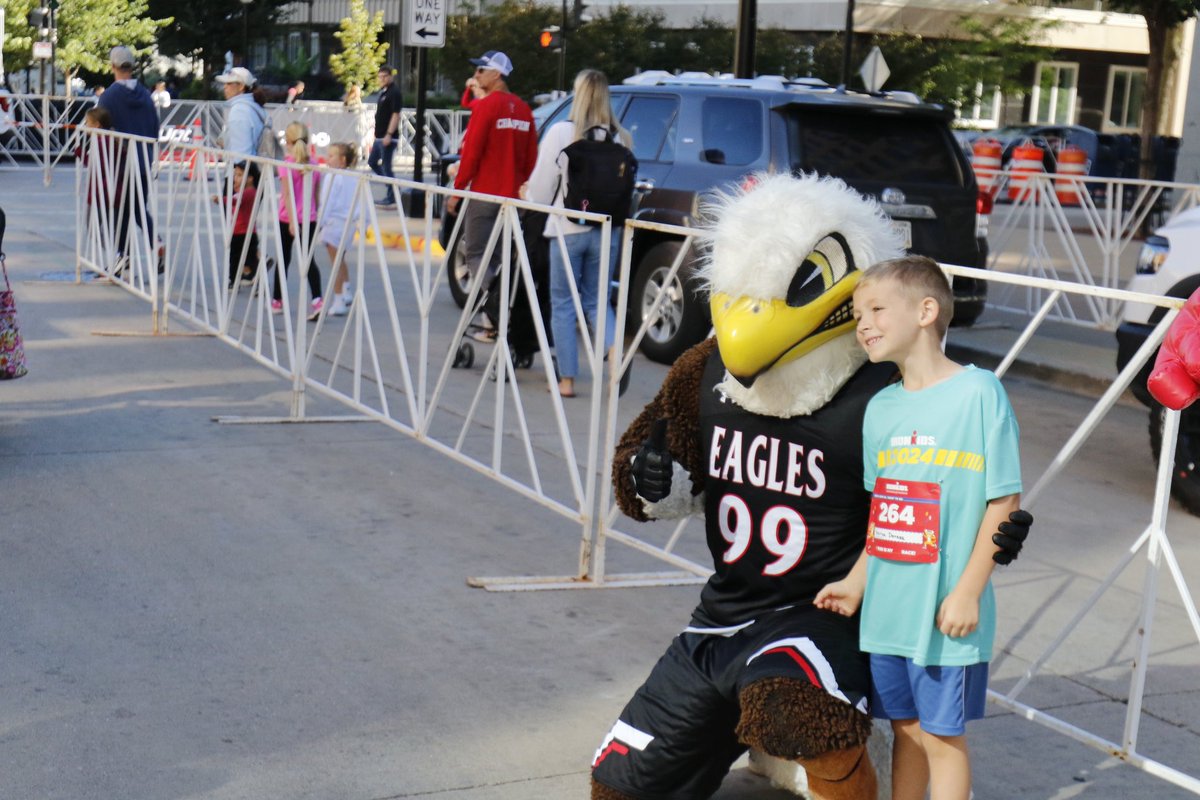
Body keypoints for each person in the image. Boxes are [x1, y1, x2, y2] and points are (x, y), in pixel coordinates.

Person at [815, 255, 1023, 800]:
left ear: (927, 311)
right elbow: (886, 515)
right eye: (858, 315)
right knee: (906, 731)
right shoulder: (880, 409)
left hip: (945, 613)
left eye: (876, 309)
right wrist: (857, 581)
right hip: (889, 613)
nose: (864, 324)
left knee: (941, 736)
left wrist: (968, 592)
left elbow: (1004, 500)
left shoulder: (979, 392)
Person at [525, 69, 629, 398]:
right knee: (598, 300)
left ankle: (567, 380)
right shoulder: (620, 138)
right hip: (607, 230)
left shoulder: (561, 132)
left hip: (567, 228)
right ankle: (614, 353)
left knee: (563, 303)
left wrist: (529, 197)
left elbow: (541, 189)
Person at [445, 51, 537, 334]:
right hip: (514, 199)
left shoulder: (486, 107)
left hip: (485, 194)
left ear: (496, 74)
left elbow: (471, 154)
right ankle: (493, 320)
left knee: (475, 254)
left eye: (481, 70)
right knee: (500, 258)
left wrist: (457, 191)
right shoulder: (524, 110)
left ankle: (497, 309)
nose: (476, 76)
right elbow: (531, 158)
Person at [98, 46, 160, 274]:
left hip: (119, 164)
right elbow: (155, 128)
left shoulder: (109, 96)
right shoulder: (145, 95)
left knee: (118, 211)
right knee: (138, 208)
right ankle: (154, 243)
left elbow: (100, 128)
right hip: (143, 161)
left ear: (112, 66)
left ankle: (122, 255)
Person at [271, 121, 324, 320]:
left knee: (283, 258)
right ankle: (317, 300)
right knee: (309, 260)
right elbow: (316, 195)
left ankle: (277, 299)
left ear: (288, 141)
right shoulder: (314, 165)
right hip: (309, 218)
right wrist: (317, 215)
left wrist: (293, 221)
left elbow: (286, 194)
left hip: (287, 218)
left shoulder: (286, 165)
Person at [318, 143, 361, 316]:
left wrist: (321, 222)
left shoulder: (332, 177)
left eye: (331, 156)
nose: (327, 159)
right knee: (340, 258)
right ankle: (346, 289)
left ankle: (338, 300)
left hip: (334, 223)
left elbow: (327, 202)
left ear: (342, 160)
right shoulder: (354, 177)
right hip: (349, 223)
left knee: (335, 263)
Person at [212, 161, 260, 289]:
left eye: (239, 175)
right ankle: (235, 280)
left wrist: (220, 199)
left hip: (245, 231)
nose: (235, 178)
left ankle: (256, 271)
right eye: (235, 175)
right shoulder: (243, 190)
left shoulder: (250, 192)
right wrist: (236, 187)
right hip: (237, 230)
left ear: (250, 178)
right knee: (235, 258)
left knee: (247, 257)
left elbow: (235, 200)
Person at [368, 65, 402, 209]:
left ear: (391, 76)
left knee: (387, 167)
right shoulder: (384, 92)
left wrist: (389, 134)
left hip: (388, 137)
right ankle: (393, 187)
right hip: (379, 136)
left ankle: (392, 195)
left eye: (385, 76)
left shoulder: (394, 93)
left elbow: (396, 114)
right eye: (380, 77)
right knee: (372, 162)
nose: (382, 79)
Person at [216, 67, 267, 160]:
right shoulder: (254, 106)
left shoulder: (240, 110)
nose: (224, 87)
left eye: (229, 83)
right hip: (258, 166)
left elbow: (240, 156)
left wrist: (238, 168)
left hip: (245, 168)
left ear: (241, 86)